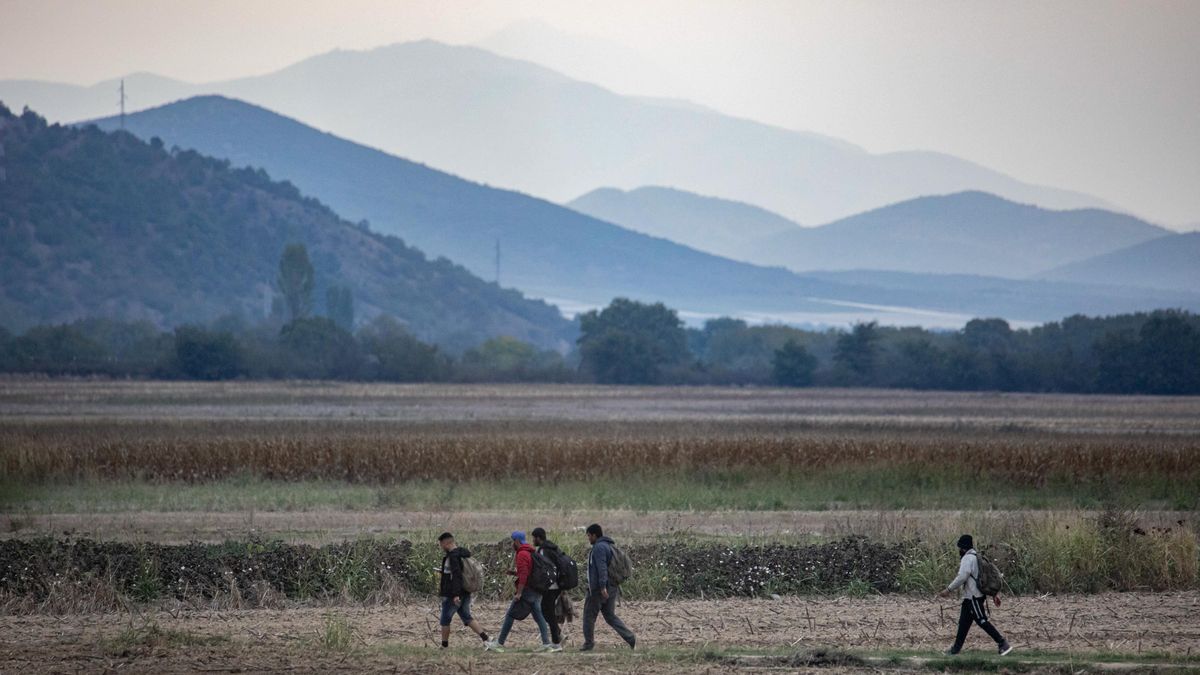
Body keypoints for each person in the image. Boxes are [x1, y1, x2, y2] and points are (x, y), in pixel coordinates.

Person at [938, 534, 1013, 656]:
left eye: (960, 548)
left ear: (963, 548)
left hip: (974, 598)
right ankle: (955, 650)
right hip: (970, 598)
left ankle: (1002, 643)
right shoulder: (977, 557)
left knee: (982, 621)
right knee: (963, 623)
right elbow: (986, 578)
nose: (959, 551)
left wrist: (948, 589)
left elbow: (962, 576)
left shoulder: (967, 559)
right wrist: (994, 594)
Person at [486, 531, 557, 653]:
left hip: (527, 590)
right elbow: (528, 572)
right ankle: (546, 643)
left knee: (510, 614)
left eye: (513, 541)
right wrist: (514, 573)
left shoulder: (522, 554)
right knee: (538, 616)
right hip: (535, 589)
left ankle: (499, 644)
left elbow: (524, 575)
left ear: (517, 541)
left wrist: (519, 593)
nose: (512, 544)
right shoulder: (530, 551)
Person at [580, 523, 636, 652]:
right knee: (610, 616)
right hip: (612, 587)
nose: (588, 538)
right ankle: (630, 637)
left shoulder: (599, 548)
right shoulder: (608, 546)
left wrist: (602, 586)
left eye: (589, 536)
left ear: (594, 535)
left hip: (599, 589)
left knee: (589, 616)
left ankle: (588, 644)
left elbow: (602, 568)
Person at [436, 532, 490, 649]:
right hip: (465, 591)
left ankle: (444, 646)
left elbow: (457, 576)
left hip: (453, 594)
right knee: (467, 617)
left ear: (447, 543)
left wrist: (455, 594)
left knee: (445, 620)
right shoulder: (462, 553)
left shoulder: (453, 556)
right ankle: (486, 639)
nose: (441, 547)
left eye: (441, 544)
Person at [531, 527, 565, 649]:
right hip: (557, 585)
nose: (533, 541)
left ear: (538, 538)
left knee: (547, 612)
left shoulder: (543, 551)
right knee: (547, 611)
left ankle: (556, 642)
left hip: (550, 586)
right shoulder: (553, 548)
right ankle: (558, 635)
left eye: (534, 538)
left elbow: (544, 569)